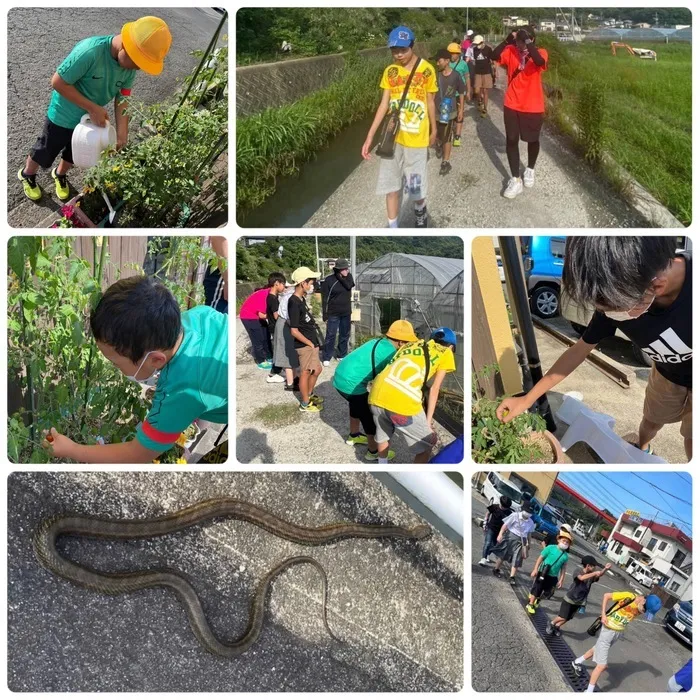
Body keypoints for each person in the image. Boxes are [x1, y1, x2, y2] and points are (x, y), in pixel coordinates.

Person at [497, 237, 692, 460]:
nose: (609, 315)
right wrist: (527, 399)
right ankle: (643, 449)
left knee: (691, 436)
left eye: (616, 310)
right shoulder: (615, 294)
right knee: (650, 420)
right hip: (665, 374)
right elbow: (578, 350)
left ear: (656, 286)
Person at [42, 276, 227, 463]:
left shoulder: (181, 392)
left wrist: (72, 449)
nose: (114, 367)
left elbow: (138, 453)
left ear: (155, 359)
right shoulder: (199, 315)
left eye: (116, 363)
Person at [19, 17, 172, 202]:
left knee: (75, 152)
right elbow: (58, 82)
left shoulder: (129, 69)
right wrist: (92, 107)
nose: (138, 69)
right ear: (126, 46)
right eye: (138, 62)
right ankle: (28, 173)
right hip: (63, 115)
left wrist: (123, 134)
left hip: (89, 120)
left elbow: (123, 97)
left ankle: (59, 174)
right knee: (45, 148)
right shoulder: (90, 51)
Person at [361, 26, 438, 228]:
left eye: (403, 49)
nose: (399, 54)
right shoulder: (390, 71)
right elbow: (383, 104)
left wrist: (434, 129)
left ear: (412, 46)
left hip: (416, 139)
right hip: (391, 138)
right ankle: (393, 227)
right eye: (394, 50)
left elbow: (430, 102)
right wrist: (370, 136)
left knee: (414, 187)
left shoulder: (427, 70)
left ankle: (420, 210)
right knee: (391, 186)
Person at [333, 320, 419, 461]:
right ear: (401, 342)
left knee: (355, 405)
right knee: (369, 418)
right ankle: (373, 452)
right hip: (350, 384)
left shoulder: (377, 341)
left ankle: (353, 436)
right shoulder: (392, 354)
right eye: (408, 342)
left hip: (339, 376)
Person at [368, 327, 457, 463]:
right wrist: (427, 422)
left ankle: (382, 465)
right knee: (427, 442)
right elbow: (434, 389)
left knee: (383, 434)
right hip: (400, 401)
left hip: (376, 394)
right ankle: (415, 477)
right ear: (451, 346)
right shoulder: (446, 353)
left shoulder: (412, 344)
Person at [491, 26, 548, 199]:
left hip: (533, 105)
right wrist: (508, 40)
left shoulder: (541, 52)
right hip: (512, 103)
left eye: (523, 40)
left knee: (532, 140)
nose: (520, 43)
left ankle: (530, 169)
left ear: (532, 40)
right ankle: (516, 180)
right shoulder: (510, 50)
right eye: (518, 40)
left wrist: (527, 41)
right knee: (512, 139)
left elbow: (538, 62)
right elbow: (493, 56)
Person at [572, 592, 663, 692]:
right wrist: (603, 614)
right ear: (643, 600)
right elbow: (606, 595)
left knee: (596, 649)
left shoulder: (641, 607)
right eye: (645, 609)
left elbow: (648, 667)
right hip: (608, 630)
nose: (644, 612)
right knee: (601, 666)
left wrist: (653, 671)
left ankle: (577, 662)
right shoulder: (629, 596)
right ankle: (588, 692)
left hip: (617, 633)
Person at [288, 266, 324, 413]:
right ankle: (304, 403)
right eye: (311, 282)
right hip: (305, 345)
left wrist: (314, 343)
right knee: (305, 372)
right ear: (303, 283)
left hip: (311, 343)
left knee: (317, 370)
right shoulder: (294, 302)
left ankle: (308, 394)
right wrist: (309, 343)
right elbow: (294, 330)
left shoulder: (301, 299)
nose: (312, 285)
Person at [547, 556, 612, 636]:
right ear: (588, 565)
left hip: (579, 601)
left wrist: (605, 569)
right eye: (593, 566)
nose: (595, 568)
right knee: (563, 616)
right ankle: (551, 623)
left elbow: (599, 574)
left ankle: (557, 626)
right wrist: (594, 573)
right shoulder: (578, 571)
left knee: (569, 617)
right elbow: (581, 578)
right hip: (570, 598)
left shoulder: (591, 575)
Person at [434, 49, 465, 176]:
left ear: (447, 61)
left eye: (439, 61)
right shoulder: (436, 75)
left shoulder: (456, 75)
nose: (437, 63)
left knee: (447, 136)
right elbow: (430, 93)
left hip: (449, 110)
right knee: (437, 133)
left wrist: (461, 109)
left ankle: (446, 162)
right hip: (436, 109)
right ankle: (439, 144)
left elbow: (461, 92)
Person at [525, 530, 571, 613]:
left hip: (553, 576)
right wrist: (535, 569)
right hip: (543, 572)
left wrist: (561, 580)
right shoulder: (550, 548)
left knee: (548, 592)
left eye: (567, 542)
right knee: (537, 588)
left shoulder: (565, 556)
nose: (565, 543)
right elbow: (540, 558)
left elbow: (563, 568)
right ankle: (530, 604)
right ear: (559, 540)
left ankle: (537, 599)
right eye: (564, 541)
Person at [490, 502, 535, 584]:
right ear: (523, 509)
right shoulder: (515, 515)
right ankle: (496, 569)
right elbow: (505, 525)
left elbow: (529, 533)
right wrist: (500, 534)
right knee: (503, 554)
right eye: (527, 511)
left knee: (517, 559)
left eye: (530, 512)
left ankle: (512, 577)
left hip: (522, 541)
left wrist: (529, 543)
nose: (528, 513)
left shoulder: (531, 522)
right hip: (510, 537)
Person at [321, 258, 354, 366]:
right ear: (338, 269)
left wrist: (341, 278)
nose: (346, 271)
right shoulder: (329, 280)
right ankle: (326, 356)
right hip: (333, 312)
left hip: (346, 311)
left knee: (344, 334)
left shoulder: (348, 277)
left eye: (347, 268)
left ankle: (342, 354)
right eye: (343, 269)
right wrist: (325, 313)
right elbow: (325, 297)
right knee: (331, 334)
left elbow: (349, 286)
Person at [239, 283, 273, 370]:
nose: (285, 289)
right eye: (284, 286)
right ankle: (261, 361)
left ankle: (269, 356)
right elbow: (262, 315)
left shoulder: (271, 295)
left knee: (266, 335)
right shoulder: (264, 295)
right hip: (248, 317)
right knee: (258, 339)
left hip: (256, 316)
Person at [274, 281, 300, 393]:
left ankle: (294, 378)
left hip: (287, 324)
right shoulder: (291, 298)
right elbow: (289, 317)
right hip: (285, 325)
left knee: (292, 354)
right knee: (287, 355)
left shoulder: (291, 296)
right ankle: (290, 383)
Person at [265, 272, 288, 384]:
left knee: (278, 350)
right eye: (283, 284)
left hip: (274, 327)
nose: (284, 287)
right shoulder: (273, 298)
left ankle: (278, 371)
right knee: (278, 351)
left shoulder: (272, 296)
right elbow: (276, 315)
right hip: (275, 327)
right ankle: (273, 374)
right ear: (276, 283)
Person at [447, 42, 471, 147]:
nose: (451, 55)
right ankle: (446, 131)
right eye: (450, 53)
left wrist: (469, 91)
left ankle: (457, 135)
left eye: (454, 53)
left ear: (458, 53)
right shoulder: (446, 63)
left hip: (459, 93)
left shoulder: (463, 64)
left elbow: (467, 77)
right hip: (448, 92)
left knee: (460, 111)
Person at [478, 495, 513, 566]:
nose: (504, 509)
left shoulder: (509, 513)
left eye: (506, 508)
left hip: (500, 532)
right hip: (491, 528)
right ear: (501, 503)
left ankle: (487, 554)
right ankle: (483, 559)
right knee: (487, 543)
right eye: (504, 507)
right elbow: (487, 513)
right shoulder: (494, 507)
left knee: (494, 546)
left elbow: (510, 522)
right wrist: (485, 522)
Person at [470, 36, 495, 116]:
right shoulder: (474, 49)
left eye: (478, 43)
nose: (477, 45)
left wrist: (494, 71)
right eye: (476, 44)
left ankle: (485, 108)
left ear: (482, 42)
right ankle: (479, 101)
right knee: (477, 90)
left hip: (486, 72)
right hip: (477, 72)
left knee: (485, 91)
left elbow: (492, 60)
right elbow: (476, 59)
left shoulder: (488, 49)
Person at [203, 236, 228, 314]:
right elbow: (219, 237)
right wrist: (228, 281)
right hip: (223, 272)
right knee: (215, 317)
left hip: (224, 270)